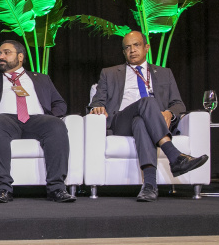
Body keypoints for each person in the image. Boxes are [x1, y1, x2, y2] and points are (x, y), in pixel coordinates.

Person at [89, 31, 209, 202]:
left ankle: (149, 186)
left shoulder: (165, 73)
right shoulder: (109, 73)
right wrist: (97, 106)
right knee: (148, 102)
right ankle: (174, 155)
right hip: (121, 121)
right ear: (123, 52)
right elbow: (97, 101)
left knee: (140, 122)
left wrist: (169, 113)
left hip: (151, 121)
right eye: (127, 47)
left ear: (146, 48)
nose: (132, 50)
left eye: (136, 45)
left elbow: (178, 104)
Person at [0, 39, 76, 204]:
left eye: (6, 53)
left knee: (56, 125)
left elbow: (60, 103)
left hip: (36, 119)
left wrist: (50, 116)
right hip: (4, 119)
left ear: (20, 57)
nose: (1, 57)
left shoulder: (41, 79)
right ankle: (2, 189)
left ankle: (57, 188)